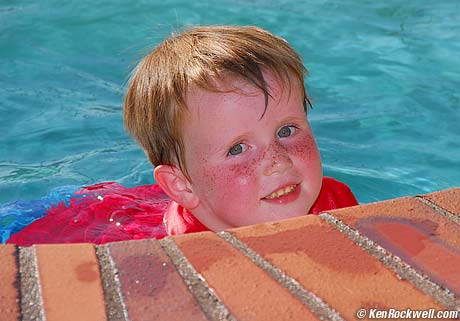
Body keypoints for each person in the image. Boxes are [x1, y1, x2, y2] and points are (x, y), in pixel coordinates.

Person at [7, 25, 357, 246]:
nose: (278, 160)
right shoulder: (158, 255)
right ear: (183, 185)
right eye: (237, 148)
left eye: (286, 130)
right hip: (106, 216)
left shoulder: (335, 201)